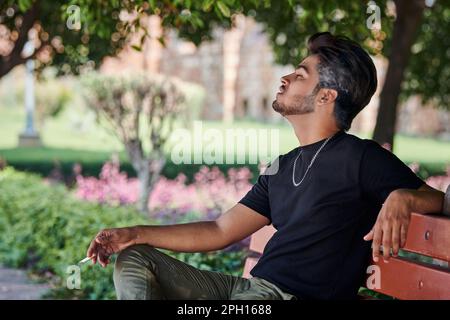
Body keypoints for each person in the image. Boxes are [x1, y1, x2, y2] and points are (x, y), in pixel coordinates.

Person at [86, 32, 445, 300]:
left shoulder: (360, 157)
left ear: (325, 96)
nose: (285, 78)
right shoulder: (283, 166)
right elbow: (218, 229)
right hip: (245, 292)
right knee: (135, 260)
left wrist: (403, 196)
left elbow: (435, 199)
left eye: (300, 75)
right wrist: (132, 233)